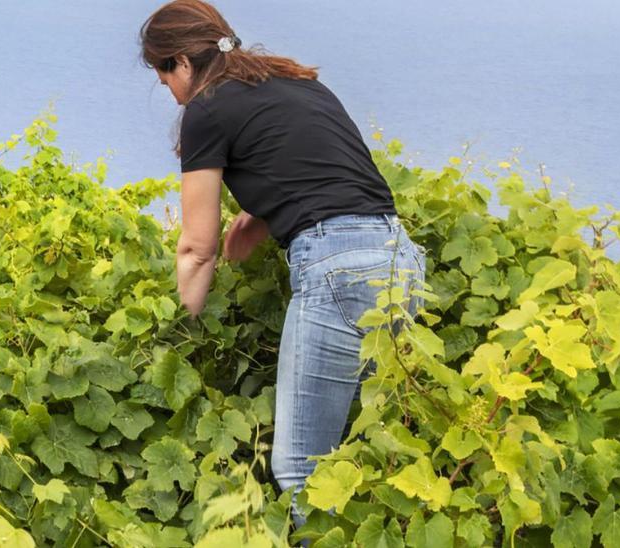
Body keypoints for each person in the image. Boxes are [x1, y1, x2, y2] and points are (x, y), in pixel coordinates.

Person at [140, 0, 426, 528]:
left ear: (180, 62)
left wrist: (183, 328)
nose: (172, 94)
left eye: (165, 80)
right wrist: (255, 217)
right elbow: (313, 167)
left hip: (338, 273)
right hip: (399, 263)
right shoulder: (298, 83)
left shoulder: (205, 108)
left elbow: (196, 247)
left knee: (301, 470)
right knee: (349, 453)